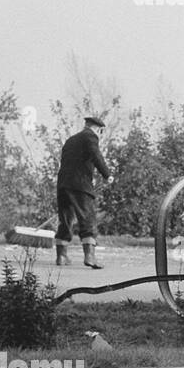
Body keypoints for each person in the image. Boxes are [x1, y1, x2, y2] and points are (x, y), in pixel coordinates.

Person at [55, 115, 113, 269]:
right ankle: (90, 257)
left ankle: (61, 256)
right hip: (80, 185)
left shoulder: (71, 140)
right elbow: (96, 156)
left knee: (65, 220)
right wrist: (107, 175)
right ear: (98, 129)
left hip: (63, 185)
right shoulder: (90, 137)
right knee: (87, 218)